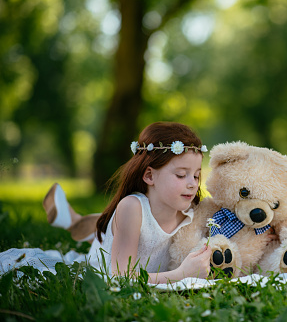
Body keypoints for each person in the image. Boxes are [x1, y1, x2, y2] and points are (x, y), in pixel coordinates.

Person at [43, 122, 212, 284]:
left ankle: (83, 223)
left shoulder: (191, 213)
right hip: (104, 264)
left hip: (125, 235)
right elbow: (121, 278)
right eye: (181, 175)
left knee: (110, 232)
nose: (192, 184)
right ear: (149, 176)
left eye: (196, 175)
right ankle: (74, 221)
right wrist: (181, 275)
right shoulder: (132, 208)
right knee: (108, 238)